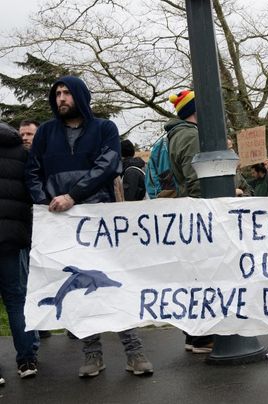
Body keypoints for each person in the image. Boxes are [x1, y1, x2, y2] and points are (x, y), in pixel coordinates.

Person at [25, 76, 153, 377]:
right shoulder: (45, 133)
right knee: (78, 291)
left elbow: (107, 166)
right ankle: (92, 353)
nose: (61, 98)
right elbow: (32, 172)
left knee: (113, 283)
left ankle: (134, 350)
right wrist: (47, 201)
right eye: (56, 93)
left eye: (67, 92)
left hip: (99, 220)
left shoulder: (104, 129)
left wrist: (73, 195)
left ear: (80, 95)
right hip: (61, 224)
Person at [165, 89, 217, 353]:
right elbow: (196, 178)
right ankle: (202, 337)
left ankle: (194, 335)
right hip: (199, 214)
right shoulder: (191, 136)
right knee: (205, 276)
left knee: (196, 276)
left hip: (189, 211)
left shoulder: (177, 135)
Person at [0, 122, 39, 384]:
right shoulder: (22, 153)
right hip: (12, 240)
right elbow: (33, 192)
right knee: (16, 300)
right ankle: (26, 359)